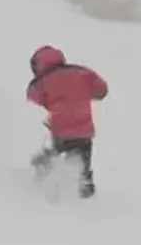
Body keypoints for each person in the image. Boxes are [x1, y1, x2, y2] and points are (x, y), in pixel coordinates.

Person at [26, 45, 108, 198]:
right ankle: (86, 194)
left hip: (60, 131)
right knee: (83, 163)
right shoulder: (81, 72)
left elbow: (33, 95)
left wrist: (50, 99)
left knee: (56, 155)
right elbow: (101, 89)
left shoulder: (44, 81)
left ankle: (43, 174)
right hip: (84, 131)